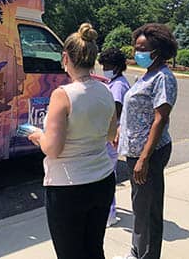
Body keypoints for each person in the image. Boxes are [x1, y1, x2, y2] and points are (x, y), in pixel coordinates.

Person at [28, 23, 117, 259]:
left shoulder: (62, 95)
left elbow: (53, 149)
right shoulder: (106, 90)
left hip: (68, 186)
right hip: (102, 179)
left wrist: (38, 136)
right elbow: (111, 135)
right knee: (94, 249)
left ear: (65, 57)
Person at [115, 23, 178, 259]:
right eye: (136, 46)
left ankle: (147, 255)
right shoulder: (147, 74)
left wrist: (144, 158)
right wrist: (121, 128)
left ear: (158, 50)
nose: (136, 51)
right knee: (140, 206)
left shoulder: (163, 78)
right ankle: (137, 252)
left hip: (149, 152)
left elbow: (160, 119)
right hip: (135, 150)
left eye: (142, 48)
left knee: (148, 208)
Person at [98, 47, 131, 227]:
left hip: (111, 137)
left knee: (107, 176)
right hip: (110, 136)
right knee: (107, 174)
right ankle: (107, 212)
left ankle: (109, 214)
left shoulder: (118, 86)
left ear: (117, 67)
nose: (105, 69)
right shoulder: (116, 82)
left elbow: (115, 112)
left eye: (108, 65)